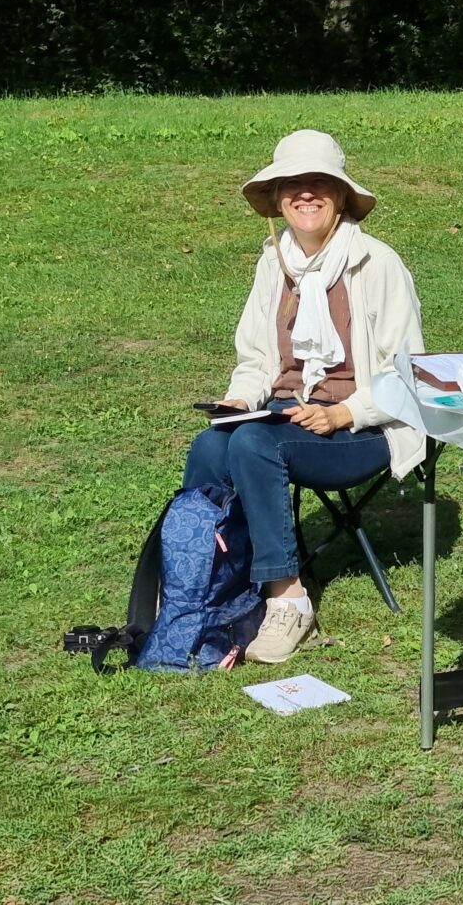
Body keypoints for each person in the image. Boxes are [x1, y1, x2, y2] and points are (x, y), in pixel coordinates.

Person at [184, 129, 427, 663]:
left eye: (320, 183)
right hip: (283, 416)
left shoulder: (378, 264)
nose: (306, 194)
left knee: (253, 446)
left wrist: (342, 412)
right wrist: (238, 401)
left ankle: (287, 599)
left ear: (340, 196)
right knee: (210, 446)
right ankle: (207, 586)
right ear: (277, 198)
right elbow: (255, 359)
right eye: (293, 185)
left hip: (364, 427)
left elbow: (407, 375)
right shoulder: (274, 262)